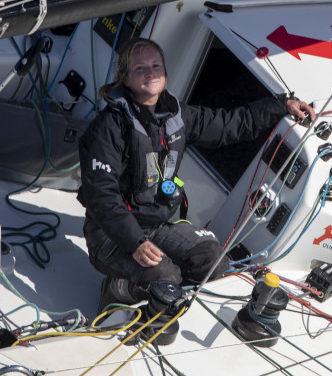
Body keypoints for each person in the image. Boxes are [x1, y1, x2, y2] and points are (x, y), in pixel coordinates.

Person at [78, 37, 315, 310]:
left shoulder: (178, 116)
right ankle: (118, 287)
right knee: (165, 278)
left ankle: (168, 299)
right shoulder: (106, 129)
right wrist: (135, 243)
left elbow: (230, 124)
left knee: (213, 259)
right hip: (110, 235)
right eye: (140, 68)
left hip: (156, 225)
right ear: (125, 79)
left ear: (165, 75)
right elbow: (101, 196)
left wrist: (281, 106)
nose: (150, 72)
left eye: (156, 66)